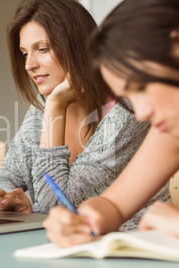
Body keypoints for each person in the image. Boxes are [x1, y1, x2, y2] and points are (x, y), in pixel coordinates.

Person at [0, 0, 170, 231]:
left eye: (42, 49)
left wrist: (54, 106)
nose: (28, 65)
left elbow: (56, 203)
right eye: (24, 53)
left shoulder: (128, 111)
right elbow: (113, 206)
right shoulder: (42, 108)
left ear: (78, 48)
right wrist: (11, 201)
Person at [44, 0, 179, 247]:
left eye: (141, 87)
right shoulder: (172, 132)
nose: (141, 114)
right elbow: (115, 204)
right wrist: (85, 220)